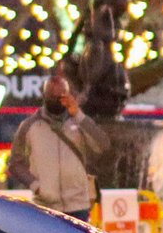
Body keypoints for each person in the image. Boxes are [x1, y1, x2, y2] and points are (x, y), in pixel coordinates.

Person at [8, 73, 97, 221]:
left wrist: (79, 116)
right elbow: (15, 164)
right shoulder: (30, 126)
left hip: (78, 205)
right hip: (46, 208)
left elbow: (102, 144)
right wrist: (36, 186)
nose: (56, 100)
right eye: (52, 95)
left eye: (61, 95)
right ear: (44, 96)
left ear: (68, 96)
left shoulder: (78, 123)